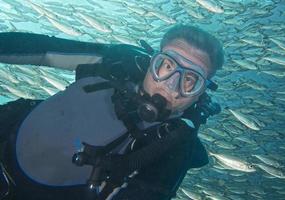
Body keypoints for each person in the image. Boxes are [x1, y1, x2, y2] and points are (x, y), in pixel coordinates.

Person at [0, 25, 224, 200]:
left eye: (190, 80)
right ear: (150, 62)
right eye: (166, 66)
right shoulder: (119, 62)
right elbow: (43, 50)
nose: (171, 86)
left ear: (200, 93)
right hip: (9, 126)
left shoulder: (175, 145)